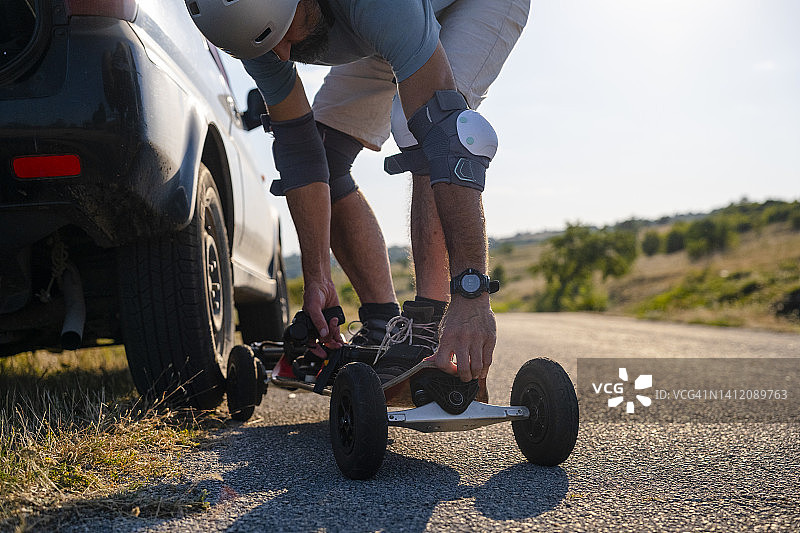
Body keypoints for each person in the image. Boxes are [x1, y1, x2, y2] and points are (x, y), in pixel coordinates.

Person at [186, 0, 530, 389]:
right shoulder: (251, 29)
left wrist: (472, 294)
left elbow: (447, 139)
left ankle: (428, 326)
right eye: (266, 44)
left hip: (473, 4)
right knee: (325, 153)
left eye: (283, 34)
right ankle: (382, 320)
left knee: (425, 127)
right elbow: (301, 156)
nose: (281, 54)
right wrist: (317, 277)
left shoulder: (377, 7)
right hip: (378, 22)